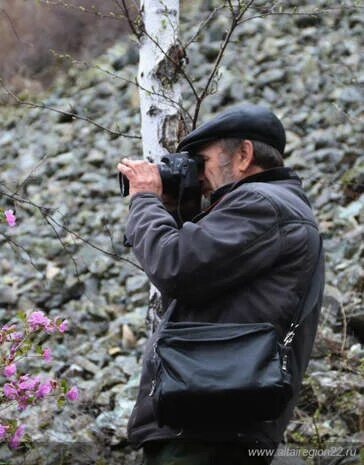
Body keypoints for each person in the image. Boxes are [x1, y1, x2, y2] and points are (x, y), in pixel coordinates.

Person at [117, 104, 324, 465]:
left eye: (202, 161)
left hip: (211, 425)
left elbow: (175, 265)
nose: (199, 175)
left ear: (243, 154)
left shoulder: (261, 202)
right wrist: (178, 209)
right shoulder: (276, 207)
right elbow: (208, 281)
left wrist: (145, 199)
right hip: (218, 414)